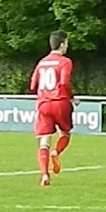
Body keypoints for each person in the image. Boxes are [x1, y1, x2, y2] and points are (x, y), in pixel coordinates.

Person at [29, 30, 75, 188]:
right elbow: (64, 82)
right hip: (60, 102)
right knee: (65, 133)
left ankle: (44, 174)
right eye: (66, 43)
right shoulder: (65, 62)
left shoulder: (42, 62)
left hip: (43, 104)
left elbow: (32, 85)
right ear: (61, 45)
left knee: (44, 140)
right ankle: (56, 152)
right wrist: (71, 97)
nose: (67, 46)